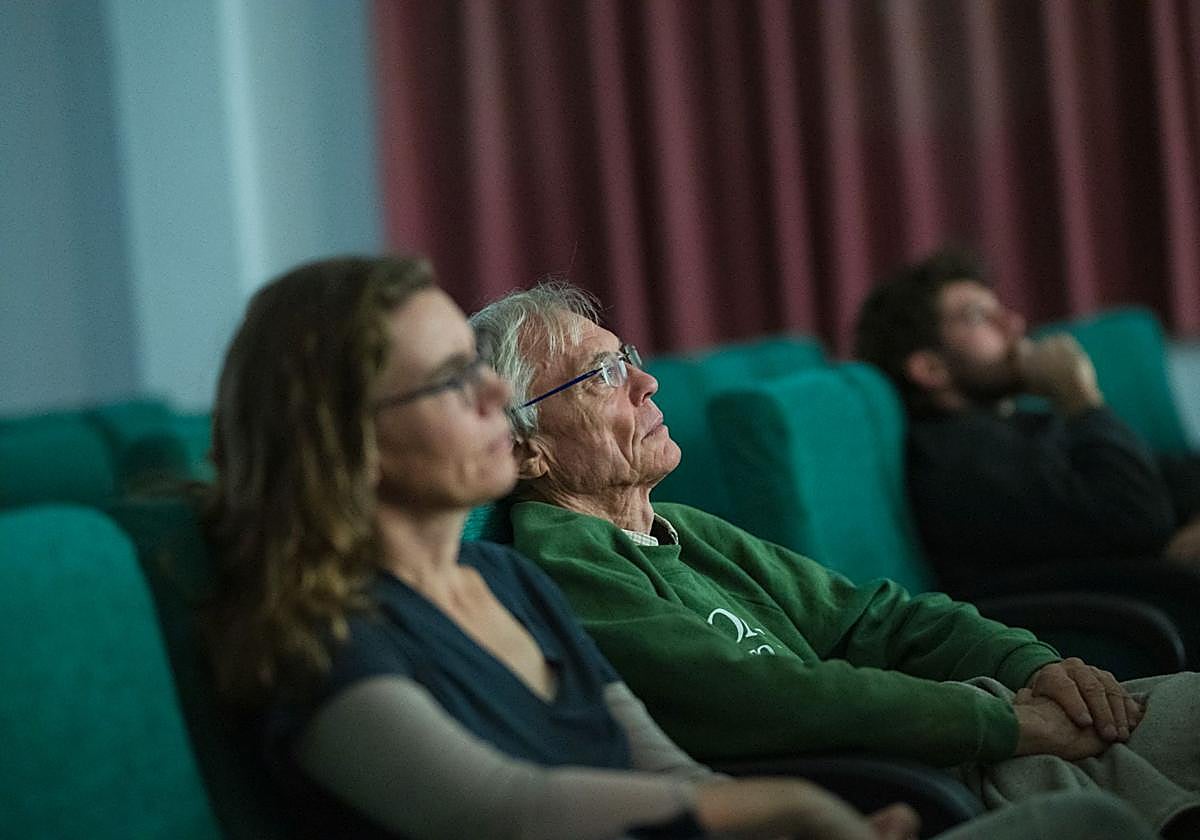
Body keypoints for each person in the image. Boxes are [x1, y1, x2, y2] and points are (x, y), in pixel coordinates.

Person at [203, 254, 967, 840]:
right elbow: (505, 811)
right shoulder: (320, 636)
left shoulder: (508, 578)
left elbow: (665, 772)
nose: (498, 396)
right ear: (349, 444)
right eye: (449, 381)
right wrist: (794, 806)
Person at [470, 281, 1200, 836]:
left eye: (626, 356)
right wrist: (1005, 721)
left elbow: (873, 617)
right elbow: (764, 699)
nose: (645, 380)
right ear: (525, 448)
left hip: (966, 735)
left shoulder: (683, 525)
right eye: (601, 375)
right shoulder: (564, 568)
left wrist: (1031, 665)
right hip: (915, 784)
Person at [852, 246, 1200, 593]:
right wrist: (1080, 398)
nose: (1013, 323)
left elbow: (1169, 476)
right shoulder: (957, 458)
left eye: (1000, 309)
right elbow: (1137, 518)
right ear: (931, 368)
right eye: (978, 316)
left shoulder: (1018, 423)